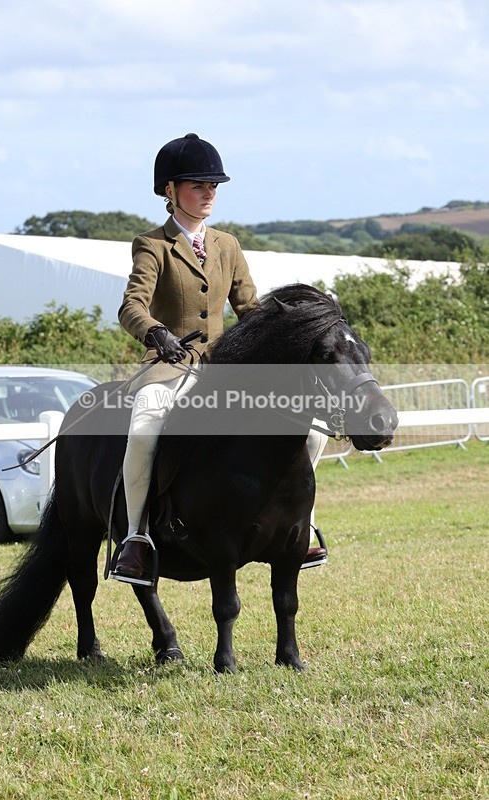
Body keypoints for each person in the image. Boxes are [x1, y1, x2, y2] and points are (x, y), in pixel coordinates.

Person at [112, 133, 327, 585]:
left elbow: (249, 308)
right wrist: (156, 332)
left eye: (213, 186)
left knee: (310, 430)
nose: (209, 193)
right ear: (170, 191)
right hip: (171, 363)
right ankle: (135, 536)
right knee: (144, 428)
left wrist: (282, 334)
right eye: (198, 186)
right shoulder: (151, 245)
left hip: (228, 367)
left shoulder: (227, 244)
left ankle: (301, 524)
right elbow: (131, 305)